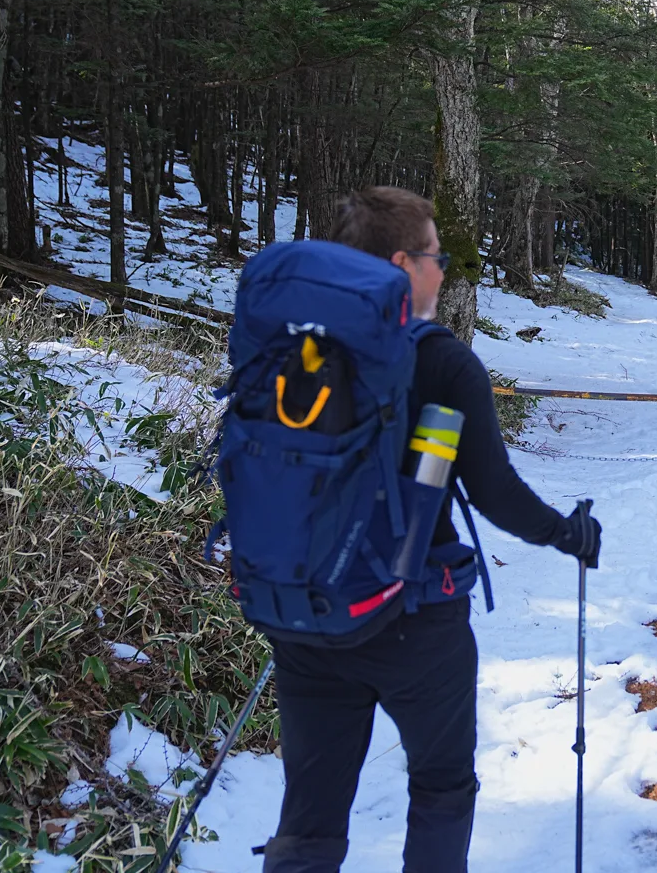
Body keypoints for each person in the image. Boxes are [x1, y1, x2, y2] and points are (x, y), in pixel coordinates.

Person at [258, 186, 602, 873]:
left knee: (310, 814)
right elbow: (495, 492)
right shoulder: (443, 360)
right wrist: (570, 534)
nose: (445, 270)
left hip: (303, 618)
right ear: (400, 264)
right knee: (442, 789)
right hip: (414, 618)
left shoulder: (291, 351)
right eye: (436, 256)